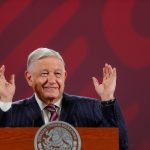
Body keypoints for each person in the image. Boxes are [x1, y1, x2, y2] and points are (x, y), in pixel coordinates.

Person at [0, 48, 128, 150]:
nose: (52, 80)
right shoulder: (12, 112)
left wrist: (107, 99)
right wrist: (5, 101)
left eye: (57, 74)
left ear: (64, 76)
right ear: (29, 78)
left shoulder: (91, 108)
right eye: (44, 74)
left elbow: (118, 145)